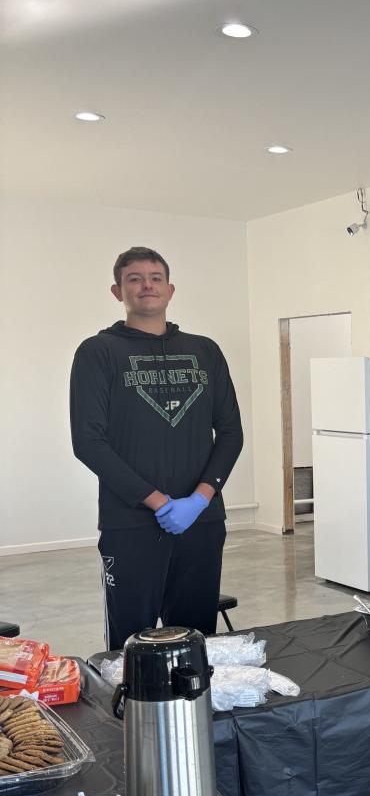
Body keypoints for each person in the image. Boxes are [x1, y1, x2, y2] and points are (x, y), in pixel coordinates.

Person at [70, 246, 244, 649]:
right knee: (130, 645)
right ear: (118, 291)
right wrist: (159, 503)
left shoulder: (205, 351)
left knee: (196, 639)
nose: (146, 285)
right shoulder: (98, 352)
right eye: (134, 279)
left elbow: (231, 432)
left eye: (155, 278)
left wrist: (199, 500)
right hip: (130, 524)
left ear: (170, 289)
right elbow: (88, 442)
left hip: (201, 522)